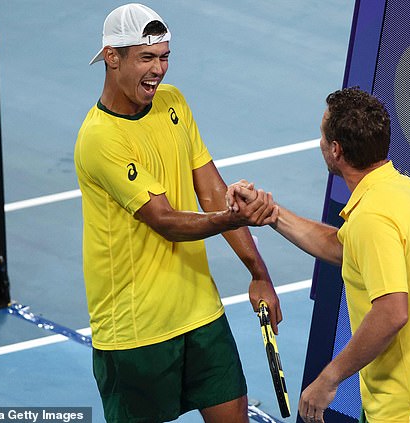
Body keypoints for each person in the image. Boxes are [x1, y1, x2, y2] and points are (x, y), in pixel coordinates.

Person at [74, 4, 281, 422]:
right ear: (112, 57)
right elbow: (165, 220)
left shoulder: (173, 103)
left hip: (200, 312)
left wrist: (258, 273)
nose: (158, 70)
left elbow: (212, 192)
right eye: (146, 58)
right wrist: (236, 218)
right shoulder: (100, 139)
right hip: (136, 331)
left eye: (164, 56)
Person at [229, 87, 410, 423]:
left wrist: (329, 379)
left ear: (336, 150)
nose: (321, 143)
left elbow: (391, 312)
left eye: (323, 135)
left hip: (408, 410)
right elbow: (346, 249)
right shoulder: (409, 191)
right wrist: (271, 213)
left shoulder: (371, 217)